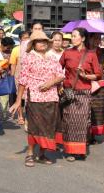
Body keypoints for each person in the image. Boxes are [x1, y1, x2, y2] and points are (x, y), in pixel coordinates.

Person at [10, 31, 65, 167]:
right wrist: (18, 101)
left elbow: (60, 75)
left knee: (48, 127)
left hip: (51, 97)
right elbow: (23, 80)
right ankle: (30, 154)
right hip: (34, 97)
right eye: (39, 41)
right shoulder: (28, 58)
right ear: (33, 44)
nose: (42, 43)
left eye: (45, 41)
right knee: (34, 127)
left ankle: (41, 153)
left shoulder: (52, 58)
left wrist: (50, 83)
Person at [60, 28, 101, 161]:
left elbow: (98, 75)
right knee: (70, 121)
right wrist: (59, 85)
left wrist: (85, 75)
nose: (72, 38)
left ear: (83, 38)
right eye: (71, 36)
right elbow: (56, 70)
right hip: (70, 92)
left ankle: (80, 150)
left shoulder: (91, 54)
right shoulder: (66, 53)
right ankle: (71, 151)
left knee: (83, 122)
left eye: (75, 36)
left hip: (84, 92)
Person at [10, 31, 30, 126]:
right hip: (19, 76)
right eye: (24, 38)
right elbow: (13, 64)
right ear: (20, 39)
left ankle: (28, 117)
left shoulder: (32, 49)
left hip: (30, 77)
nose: (26, 39)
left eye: (28, 37)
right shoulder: (16, 50)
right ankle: (20, 116)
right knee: (19, 97)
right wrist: (12, 77)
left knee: (29, 98)